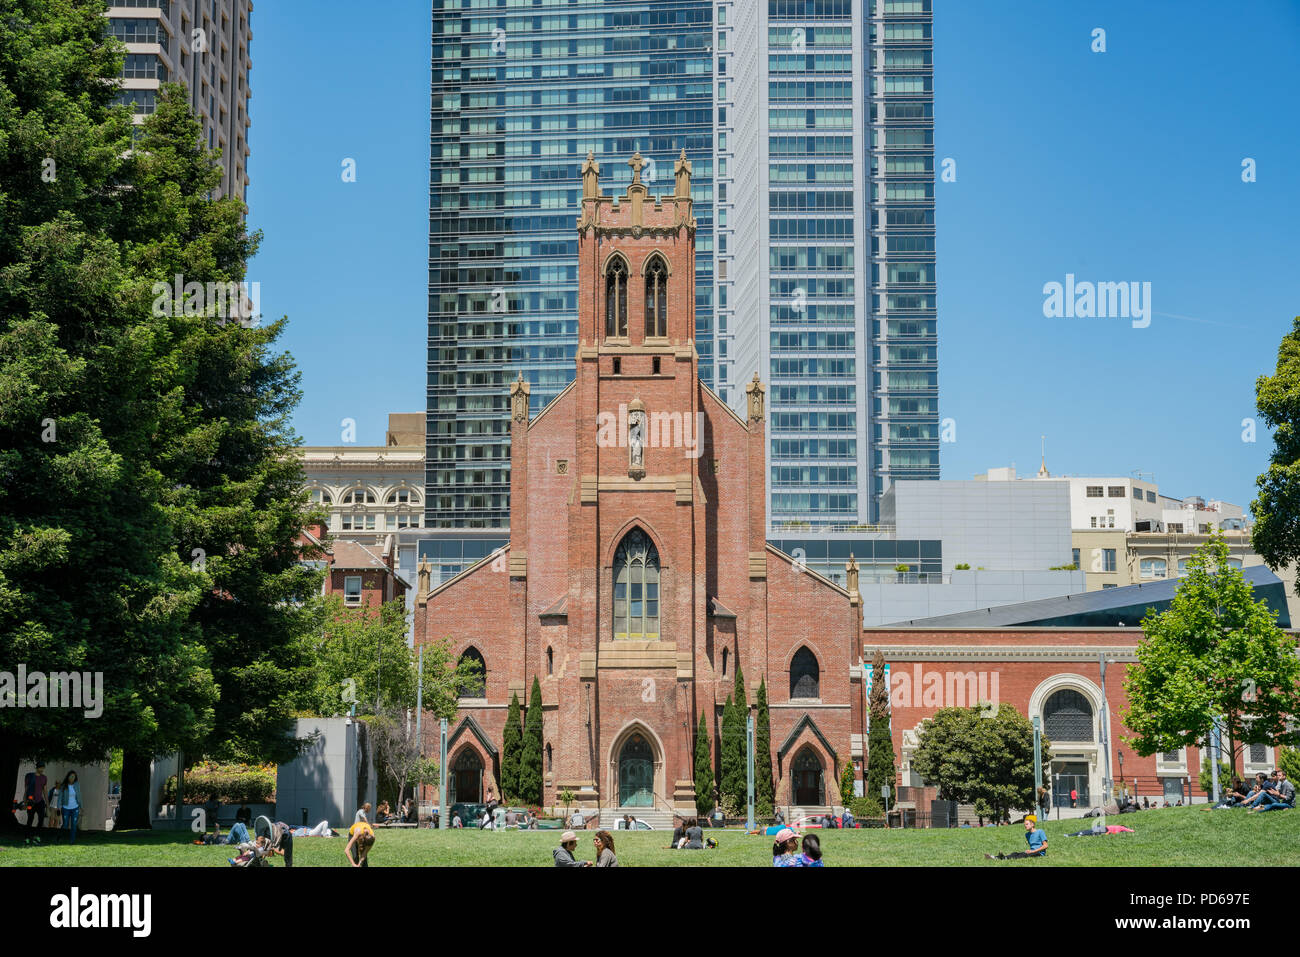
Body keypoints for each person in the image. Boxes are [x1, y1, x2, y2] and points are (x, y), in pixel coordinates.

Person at [22, 763, 47, 838]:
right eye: (41, 768)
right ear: (37, 768)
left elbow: (45, 791)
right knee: (30, 819)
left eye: (43, 768)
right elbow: (26, 789)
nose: (42, 770)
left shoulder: (44, 778)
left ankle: (37, 836)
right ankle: (27, 837)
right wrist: (25, 802)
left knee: (41, 819)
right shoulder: (29, 776)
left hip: (40, 801)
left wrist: (47, 804)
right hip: (31, 801)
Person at [58, 771, 82, 845]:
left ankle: (72, 841)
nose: (72, 778)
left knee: (74, 825)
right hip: (66, 808)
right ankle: (60, 837)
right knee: (65, 825)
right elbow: (60, 797)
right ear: (68, 777)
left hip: (75, 808)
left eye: (74, 777)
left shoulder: (77, 785)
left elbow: (79, 796)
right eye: (71, 776)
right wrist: (59, 807)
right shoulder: (64, 785)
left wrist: (81, 807)